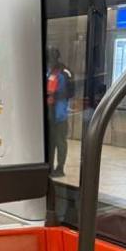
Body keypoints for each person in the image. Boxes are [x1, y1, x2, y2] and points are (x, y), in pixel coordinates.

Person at [45, 48, 74, 178]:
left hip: (59, 114)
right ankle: (50, 167)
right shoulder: (51, 71)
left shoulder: (62, 72)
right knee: (51, 142)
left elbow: (64, 93)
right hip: (52, 113)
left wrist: (53, 95)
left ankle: (60, 168)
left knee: (60, 141)